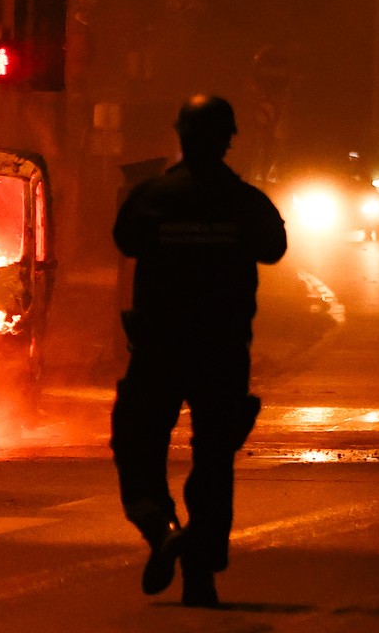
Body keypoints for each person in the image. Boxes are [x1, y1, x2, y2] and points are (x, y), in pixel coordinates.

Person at [110, 94, 287, 608]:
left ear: (181, 137)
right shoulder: (246, 201)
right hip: (222, 352)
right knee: (212, 463)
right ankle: (201, 572)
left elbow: (124, 240)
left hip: (159, 349)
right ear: (228, 139)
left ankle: (162, 530)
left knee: (138, 449)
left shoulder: (152, 196)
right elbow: (274, 249)